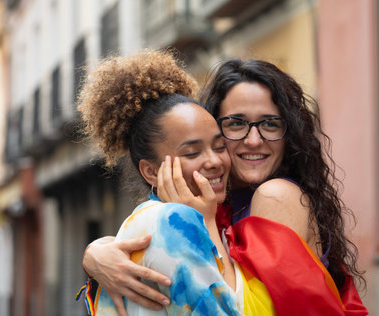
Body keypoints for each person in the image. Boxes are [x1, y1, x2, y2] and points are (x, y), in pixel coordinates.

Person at [82, 58, 368, 316]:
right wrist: (97, 252)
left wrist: (203, 222)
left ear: (289, 133)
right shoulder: (216, 205)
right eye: (235, 124)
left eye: (270, 124)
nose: (254, 140)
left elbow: (247, 309)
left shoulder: (274, 195)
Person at [76, 49, 242, 315]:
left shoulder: (144, 219)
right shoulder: (173, 220)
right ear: (151, 172)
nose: (214, 161)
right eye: (192, 153)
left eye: (220, 146)